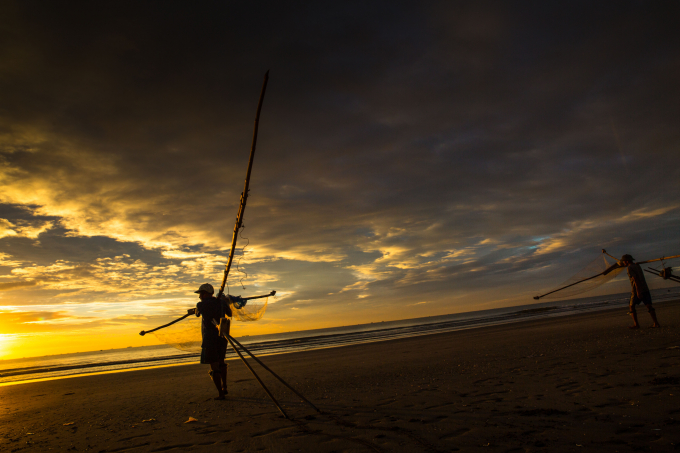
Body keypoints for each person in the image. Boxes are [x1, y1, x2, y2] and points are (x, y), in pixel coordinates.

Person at [187, 283, 232, 399]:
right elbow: (230, 313)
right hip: (222, 336)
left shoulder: (201, 304)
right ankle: (225, 387)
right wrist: (224, 302)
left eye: (201, 294)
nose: (199, 296)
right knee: (221, 362)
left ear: (206, 293)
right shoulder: (221, 302)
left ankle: (221, 394)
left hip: (210, 338)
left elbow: (198, 313)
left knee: (214, 365)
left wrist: (196, 310)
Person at [620, 254, 660, 329]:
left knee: (631, 306)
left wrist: (638, 292)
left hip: (636, 289)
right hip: (645, 288)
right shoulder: (637, 266)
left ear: (627, 261)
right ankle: (656, 323)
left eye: (624, 261)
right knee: (648, 305)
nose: (623, 263)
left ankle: (636, 325)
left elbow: (635, 279)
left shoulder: (629, 268)